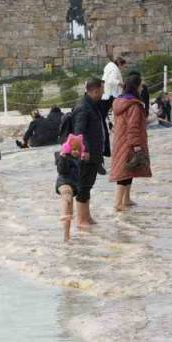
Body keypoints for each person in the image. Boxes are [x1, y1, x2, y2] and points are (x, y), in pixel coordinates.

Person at [111, 73, 152, 212]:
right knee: (124, 173)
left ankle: (126, 199)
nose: (142, 88)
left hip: (120, 140)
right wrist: (136, 146)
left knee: (129, 170)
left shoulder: (119, 102)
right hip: (129, 142)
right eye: (141, 85)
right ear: (136, 86)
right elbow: (133, 127)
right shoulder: (134, 105)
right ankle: (118, 203)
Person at [70, 78, 107, 229]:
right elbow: (78, 133)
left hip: (94, 153)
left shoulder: (93, 105)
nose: (104, 92)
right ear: (95, 90)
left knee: (88, 185)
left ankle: (87, 216)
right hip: (86, 155)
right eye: (102, 90)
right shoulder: (83, 107)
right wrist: (83, 152)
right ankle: (81, 220)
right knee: (83, 186)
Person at [56, 132, 88, 242]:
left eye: (78, 150)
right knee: (67, 195)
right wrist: (63, 158)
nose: (76, 152)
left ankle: (66, 237)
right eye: (74, 149)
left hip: (74, 186)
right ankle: (63, 214)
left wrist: (84, 161)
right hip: (63, 182)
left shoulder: (79, 159)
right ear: (69, 148)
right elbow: (61, 170)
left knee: (70, 212)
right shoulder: (64, 157)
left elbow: (81, 175)